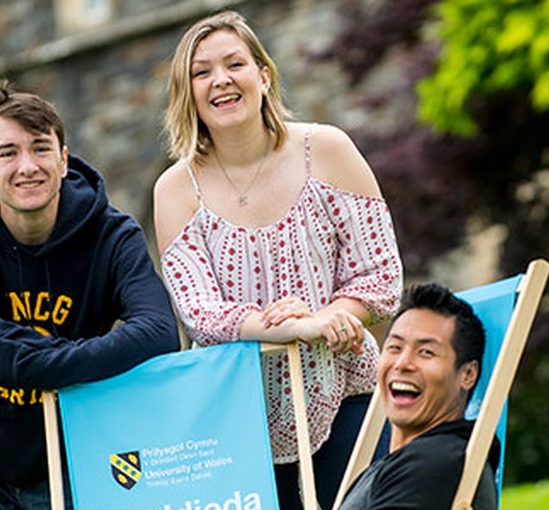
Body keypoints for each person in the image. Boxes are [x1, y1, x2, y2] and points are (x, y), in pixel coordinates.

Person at [153, 10, 402, 509]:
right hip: (240, 426)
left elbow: (382, 274)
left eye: (234, 64)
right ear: (188, 94)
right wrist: (279, 328)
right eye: (201, 73)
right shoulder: (177, 190)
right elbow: (198, 311)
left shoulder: (327, 150)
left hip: (348, 394)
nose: (220, 81)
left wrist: (331, 317)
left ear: (263, 76)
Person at [0, 81, 180, 509]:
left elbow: (159, 332)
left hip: (73, 453)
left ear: (63, 160)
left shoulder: (113, 236)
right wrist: (90, 357)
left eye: (41, 148)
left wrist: (25, 363)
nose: (27, 165)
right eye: (8, 152)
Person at [339, 283, 500, 510]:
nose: (403, 363)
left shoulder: (437, 461)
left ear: (468, 374)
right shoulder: (407, 462)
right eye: (395, 347)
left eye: (426, 352)